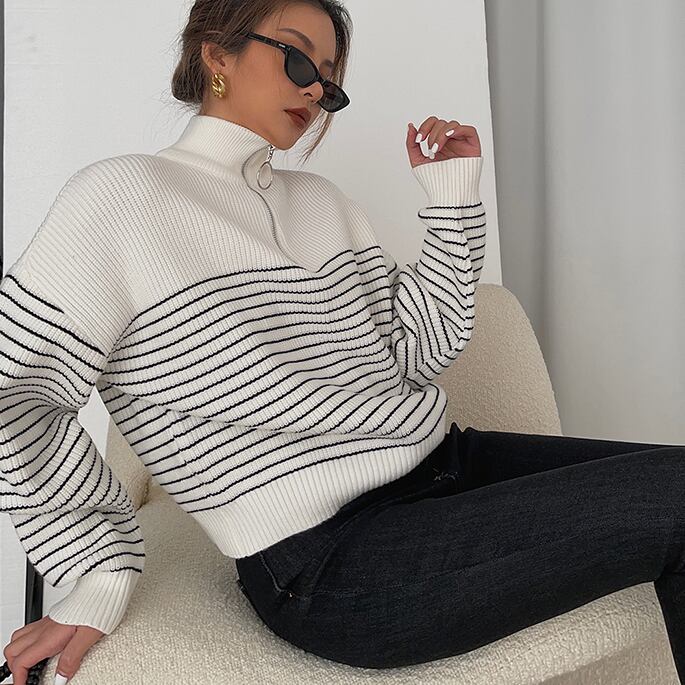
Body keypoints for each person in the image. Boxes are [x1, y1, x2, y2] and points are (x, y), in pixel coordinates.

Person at [1, 1, 683, 684]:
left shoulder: (322, 203)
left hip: (446, 466)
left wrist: (451, 198)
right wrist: (99, 569)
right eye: (299, 59)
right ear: (216, 53)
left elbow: (418, 349)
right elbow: (15, 392)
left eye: (328, 80)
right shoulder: (120, 199)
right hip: (332, 561)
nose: (314, 91)